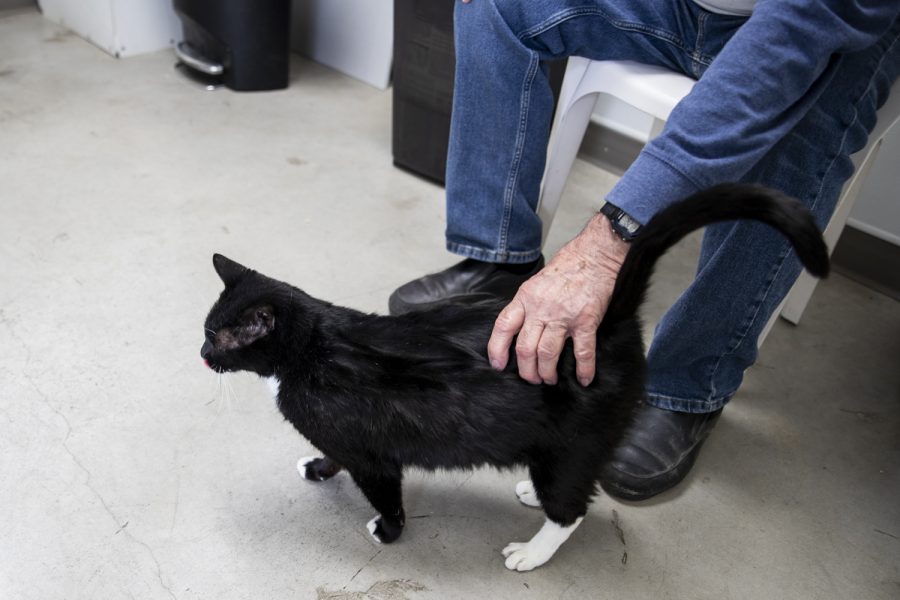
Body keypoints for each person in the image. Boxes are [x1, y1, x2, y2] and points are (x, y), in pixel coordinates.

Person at [389, 0, 900, 500]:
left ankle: (686, 385)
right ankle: (499, 256)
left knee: (801, 132)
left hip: (823, 29)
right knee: (497, 5)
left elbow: (790, 44)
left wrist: (606, 243)